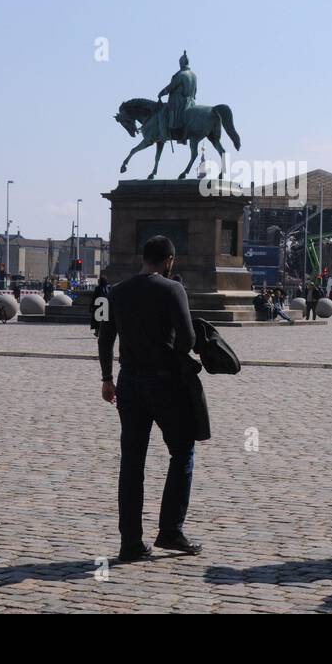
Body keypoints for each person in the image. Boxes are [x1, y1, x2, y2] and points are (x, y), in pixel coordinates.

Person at [98, 235, 202, 562]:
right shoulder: (173, 290)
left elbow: (105, 338)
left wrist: (106, 378)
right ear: (169, 260)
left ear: (143, 258)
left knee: (132, 463)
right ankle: (170, 530)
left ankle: (130, 542)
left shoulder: (118, 292)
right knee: (182, 450)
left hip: (128, 382)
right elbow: (187, 339)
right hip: (166, 383)